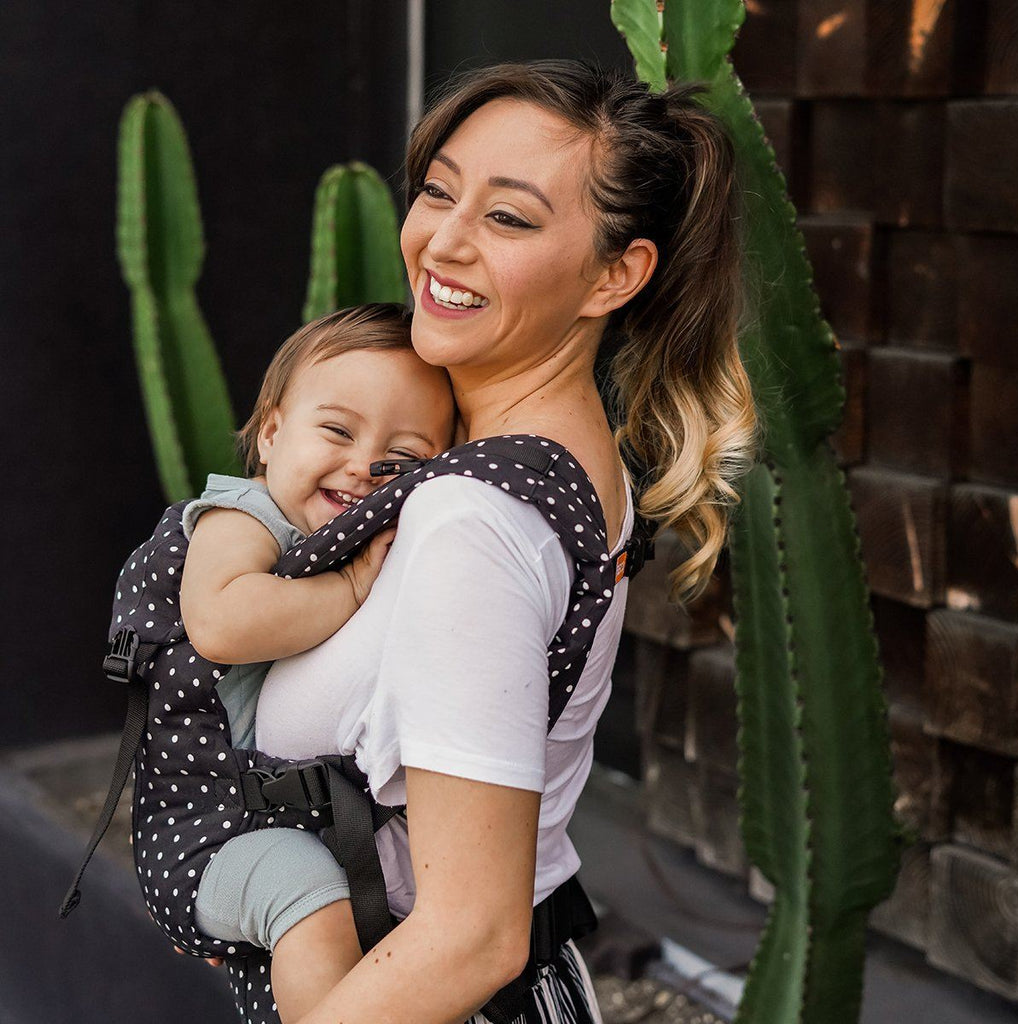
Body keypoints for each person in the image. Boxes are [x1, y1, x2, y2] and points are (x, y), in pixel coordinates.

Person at [234, 60, 760, 1024]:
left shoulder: (472, 519)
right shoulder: (546, 457)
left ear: (617, 274)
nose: (444, 240)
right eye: (438, 191)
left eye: (509, 218)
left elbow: (470, 935)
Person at [176, 302, 457, 1019]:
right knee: (310, 899)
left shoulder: (355, 541)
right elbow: (220, 623)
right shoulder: (242, 517)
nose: (365, 467)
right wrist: (355, 586)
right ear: (271, 433)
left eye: (404, 461)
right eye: (337, 430)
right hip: (210, 830)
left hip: (271, 823)